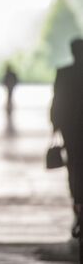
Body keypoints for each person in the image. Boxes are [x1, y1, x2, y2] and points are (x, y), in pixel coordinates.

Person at [50, 38, 83, 245]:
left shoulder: (64, 73)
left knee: (74, 166)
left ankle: (78, 204)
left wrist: (55, 123)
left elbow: (58, 100)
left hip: (71, 130)